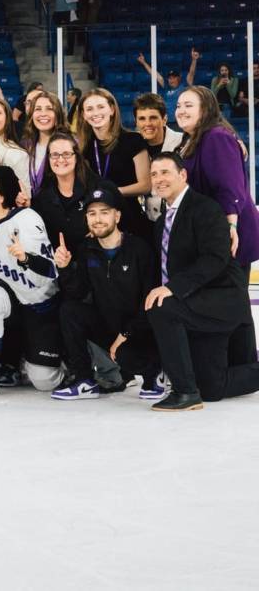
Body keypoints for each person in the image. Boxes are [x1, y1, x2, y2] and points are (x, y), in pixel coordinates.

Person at [144, 152, 259, 411]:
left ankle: (185, 393)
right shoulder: (163, 221)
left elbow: (215, 259)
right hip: (195, 305)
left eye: (165, 172)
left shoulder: (205, 208)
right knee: (210, 388)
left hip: (221, 300)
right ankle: (194, 386)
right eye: (154, 174)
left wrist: (172, 288)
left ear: (182, 175)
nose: (159, 179)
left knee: (161, 307)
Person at [51, 185, 163, 401]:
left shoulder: (139, 249)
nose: (98, 219)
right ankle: (84, 379)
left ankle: (154, 373)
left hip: (140, 331)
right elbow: (78, 292)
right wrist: (64, 268)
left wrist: (127, 334)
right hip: (109, 326)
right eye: (92, 214)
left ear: (117, 216)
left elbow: (150, 301)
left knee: (129, 355)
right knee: (70, 310)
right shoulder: (87, 249)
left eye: (104, 212)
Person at [0, 174, 64, 395]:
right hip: (12, 301)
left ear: (2, 196)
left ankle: (61, 357)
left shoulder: (26, 218)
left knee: (44, 382)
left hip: (41, 304)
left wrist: (25, 259)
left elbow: (51, 271)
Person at [175, 86, 259, 263]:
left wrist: (230, 225)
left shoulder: (216, 137)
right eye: (178, 106)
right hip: (208, 229)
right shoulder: (190, 139)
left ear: (205, 109)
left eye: (188, 105)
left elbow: (230, 186)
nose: (181, 111)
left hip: (227, 233)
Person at [77, 88, 150, 241]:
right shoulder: (85, 148)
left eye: (100, 107)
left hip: (130, 217)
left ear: (111, 109)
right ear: (84, 115)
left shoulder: (133, 140)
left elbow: (146, 185)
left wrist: (111, 192)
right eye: (89, 109)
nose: (95, 113)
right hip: (98, 221)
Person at [31, 132, 92, 255]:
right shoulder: (42, 198)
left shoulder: (96, 188)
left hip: (94, 263)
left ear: (77, 157)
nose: (60, 159)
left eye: (66, 154)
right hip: (61, 266)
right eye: (54, 155)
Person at [133, 92, 183, 222]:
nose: (147, 124)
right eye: (142, 119)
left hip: (180, 217)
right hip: (147, 219)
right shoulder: (132, 147)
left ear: (164, 119)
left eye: (153, 118)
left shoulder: (183, 142)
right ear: (136, 121)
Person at [20, 91, 64, 197]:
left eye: (49, 109)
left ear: (57, 114)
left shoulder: (70, 144)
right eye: (38, 109)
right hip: (30, 208)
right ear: (31, 115)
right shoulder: (25, 145)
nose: (43, 114)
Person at [136, 49, 198, 116]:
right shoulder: (166, 86)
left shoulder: (185, 86)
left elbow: (191, 73)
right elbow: (154, 74)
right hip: (168, 121)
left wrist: (194, 60)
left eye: (174, 78)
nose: (171, 80)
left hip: (180, 120)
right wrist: (143, 62)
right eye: (169, 78)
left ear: (179, 78)